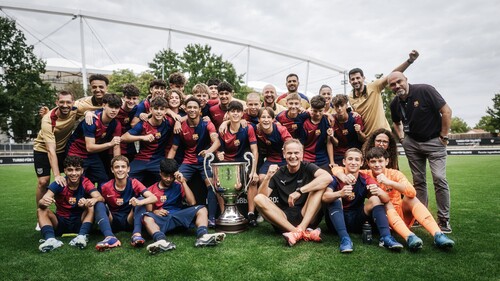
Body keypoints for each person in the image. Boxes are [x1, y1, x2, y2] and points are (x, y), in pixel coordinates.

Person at [388, 71, 453, 233]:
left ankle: (443, 219)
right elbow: (396, 123)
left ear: (406, 80)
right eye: (392, 84)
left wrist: (444, 136)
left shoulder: (425, 90)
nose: (397, 86)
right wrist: (403, 138)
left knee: (439, 178)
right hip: (412, 143)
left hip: (434, 141)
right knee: (418, 181)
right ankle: (421, 215)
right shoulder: (395, 103)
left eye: (399, 82)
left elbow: (446, 111)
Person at [366, 147, 454, 249]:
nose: (377, 165)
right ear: (368, 163)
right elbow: (343, 169)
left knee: (411, 198)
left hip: (401, 216)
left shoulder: (395, 174)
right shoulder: (365, 174)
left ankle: (438, 234)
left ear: (387, 161)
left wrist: (389, 182)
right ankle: (410, 237)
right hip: (383, 221)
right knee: (385, 202)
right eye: (373, 162)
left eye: (380, 161)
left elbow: (412, 192)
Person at [323, 148, 404, 251]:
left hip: (358, 220)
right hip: (336, 221)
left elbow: (386, 199)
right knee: (335, 198)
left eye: (357, 160)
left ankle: (386, 238)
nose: (353, 162)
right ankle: (345, 239)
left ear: (361, 163)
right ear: (344, 162)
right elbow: (325, 197)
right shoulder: (336, 178)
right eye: (350, 159)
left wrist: (378, 192)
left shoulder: (365, 178)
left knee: (376, 198)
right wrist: (340, 193)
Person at [254, 139, 331, 246]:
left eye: (296, 153)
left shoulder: (308, 166)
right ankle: (299, 232)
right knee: (258, 199)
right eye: (289, 153)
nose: (293, 156)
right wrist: (267, 177)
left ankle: (301, 229)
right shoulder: (279, 172)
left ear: (302, 154)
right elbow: (262, 196)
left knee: (320, 185)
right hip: (284, 219)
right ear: (284, 154)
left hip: (306, 215)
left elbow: (327, 177)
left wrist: (300, 191)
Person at [143, 159, 226, 254]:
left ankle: (203, 236)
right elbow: (148, 211)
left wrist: (183, 182)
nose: (169, 179)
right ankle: (161, 241)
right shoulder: (150, 189)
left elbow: (192, 202)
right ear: (160, 173)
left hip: (178, 217)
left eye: (171, 176)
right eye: (166, 176)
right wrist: (155, 211)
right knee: (147, 217)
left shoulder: (178, 185)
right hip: (162, 220)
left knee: (202, 209)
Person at [167, 97, 221, 226]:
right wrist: (166, 167)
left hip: (205, 161)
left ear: (200, 109)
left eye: (195, 107)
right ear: (185, 109)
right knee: (176, 182)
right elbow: (174, 149)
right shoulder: (180, 126)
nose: (192, 110)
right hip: (188, 161)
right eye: (189, 107)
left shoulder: (207, 123)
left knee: (212, 185)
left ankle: (211, 218)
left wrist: (209, 151)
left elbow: (217, 140)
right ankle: (175, 214)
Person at [37, 156, 103, 252]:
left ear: (82, 171)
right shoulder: (59, 183)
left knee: (91, 206)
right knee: (41, 210)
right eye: (70, 170)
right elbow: (42, 201)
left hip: (79, 221)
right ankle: (50, 239)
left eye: (77, 170)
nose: (74, 173)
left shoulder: (85, 182)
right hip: (60, 221)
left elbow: (100, 197)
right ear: (65, 171)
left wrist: (91, 200)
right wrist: (43, 202)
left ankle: (82, 236)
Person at [348, 50, 419, 136]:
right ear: (349, 81)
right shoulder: (350, 97)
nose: (355, 81)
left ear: (363, 78)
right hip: (367, 137)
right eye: (352, 79)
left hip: (383, 134)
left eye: (358, 78)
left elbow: (393, 74)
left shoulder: (374, 86)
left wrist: (410, 61)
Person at [94, 155, 157, 251]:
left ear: (128, 169)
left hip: (129, 219)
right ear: (112, 170)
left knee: (141, 199)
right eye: (116, 167)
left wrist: (139, 202)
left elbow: (153, 197)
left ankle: (136, 235)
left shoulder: (134, 183)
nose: (120, 170)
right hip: (113, 221)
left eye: (123, 167)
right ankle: (109, 237)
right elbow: (99, 198)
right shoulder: (105, 186)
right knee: (99, 204)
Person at [217, 101, 260, 226]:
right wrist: (218, 154)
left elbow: (254, 150)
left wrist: (254, 170)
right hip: (227, 163)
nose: (235, 114)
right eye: (232, 111)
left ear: (242, 113)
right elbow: (218, 148)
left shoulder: (248, 127)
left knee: (253, 180)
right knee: (218, 183)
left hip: (243, 162)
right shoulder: (223, 128)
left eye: (238, 111)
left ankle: (251, 214)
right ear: (228, 113)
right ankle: (223, 213)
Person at [66, 93, 123, 187]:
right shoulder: (91, 120)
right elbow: (90, 147)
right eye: (111, 107)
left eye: (116, 108)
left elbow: (116, 146)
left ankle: (99, 201)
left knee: (104, 179)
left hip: (91, 155)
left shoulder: (116, 124)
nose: (114, 110)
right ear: (104, 105)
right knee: (77, 182)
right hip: (76, 152)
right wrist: (110, 144)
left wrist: (117, 166)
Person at [33, 91, 76, 213]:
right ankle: (41, 213)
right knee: (43, 181)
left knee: (72, 177)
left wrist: (88, 112)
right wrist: (56, 175)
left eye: (68, 102)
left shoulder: (76, 109)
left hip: (63, 149)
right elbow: (50, 150)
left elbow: (95, 102)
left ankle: (68, 211)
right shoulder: (47, 120)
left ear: (73, 102)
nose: (65, 105)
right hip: (43, 149)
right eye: (61, 102)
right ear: (56, 103)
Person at [121, 97, 174, 187]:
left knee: (168, 179)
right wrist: (142, 137)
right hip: (141, 158)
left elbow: (185, 119)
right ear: (150, 110)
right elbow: (123, 137)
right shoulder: (143, 124)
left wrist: (177, 122)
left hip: (158, 160)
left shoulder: (168, 122)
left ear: (165, 111)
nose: (159, 112)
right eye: (156, 109)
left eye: (162, 109)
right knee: (125, 178)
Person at [296, 95, 334, 171]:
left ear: (324, 109)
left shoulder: (327, 120)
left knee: (327, 178)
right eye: (315, 111)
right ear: (311, 108)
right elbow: (301, 144)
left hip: (322, 158)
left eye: (320, 111)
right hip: (307, 157)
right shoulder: (304, 122)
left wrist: (332, 161)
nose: (317, 114)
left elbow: (329, 142)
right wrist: (301, 160)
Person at [255, 107, 292, 181]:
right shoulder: (257, 130)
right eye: (263, 117)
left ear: (273, 119)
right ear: (258, 119)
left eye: (268, 117)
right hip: (271, 159)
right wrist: (226, 122)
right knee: (262, 177)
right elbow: (245, 124)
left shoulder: (281, 129)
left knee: (283, 178)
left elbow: (291, 144)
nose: (266, 120)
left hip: (284, 159)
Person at [330, 94, 366, 165]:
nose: (339, 108)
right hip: (339, 154)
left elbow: (363, 139)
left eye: (342, 105)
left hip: (355, 152)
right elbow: (336, 143)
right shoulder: (332, 120)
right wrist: (331, 136)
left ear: (346, 105)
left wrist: (359, 132)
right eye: (337, 106)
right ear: (334, 107)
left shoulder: (355, 118)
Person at [115, 84, 141, 161]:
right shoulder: (116, 109)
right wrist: (88, 112)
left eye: (134, 98)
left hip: (130, 148)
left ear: (138, 99)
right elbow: (101, 110)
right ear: (123, 97)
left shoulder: (138, 110)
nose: (131, 101)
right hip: (114, 147)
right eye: (128, 98)